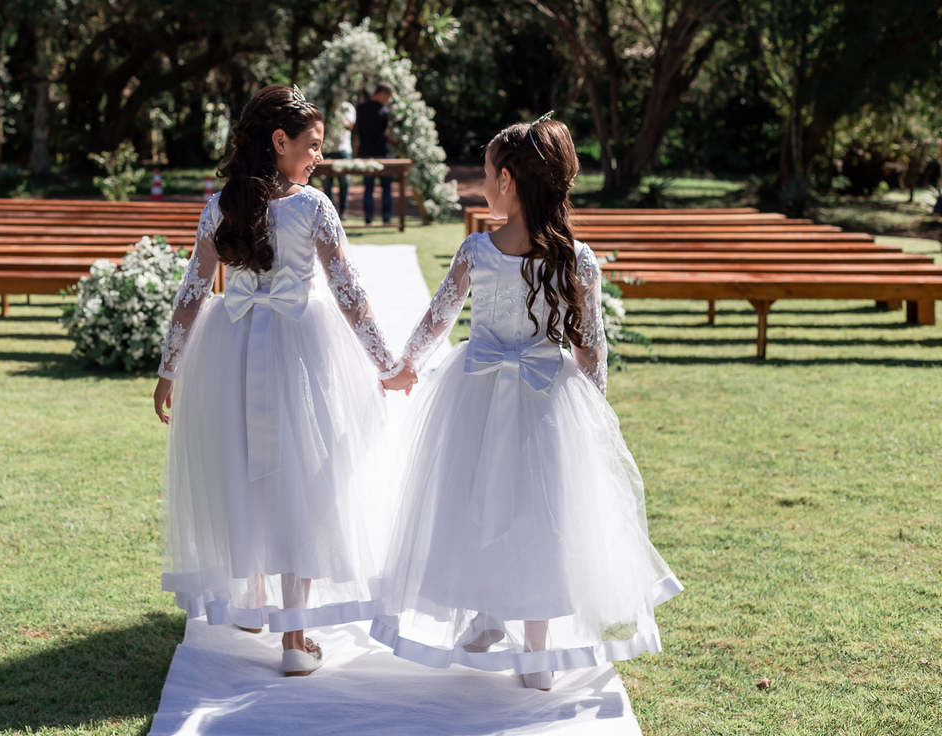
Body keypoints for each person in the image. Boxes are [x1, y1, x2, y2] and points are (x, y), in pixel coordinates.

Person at [371, 116, 682, 691]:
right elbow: (592, 347)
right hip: (547, 396)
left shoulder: (477, 250)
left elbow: (437, 319)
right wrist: (593, 408)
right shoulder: (575, 258)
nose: (481, 185)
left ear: (508, 181)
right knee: (539, 513)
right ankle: (526, 646)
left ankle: (491, 619)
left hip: (479, 391)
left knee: (478, 499)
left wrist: (404, 365)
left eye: (487, 174)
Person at [152, 85, 416, 678]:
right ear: (279, 142)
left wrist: (170, 367)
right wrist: (385, 363)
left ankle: (251, 599)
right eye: (312, 145)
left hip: (231, 345)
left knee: (245, 467)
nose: (319, 155)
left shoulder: (220, 205)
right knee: (302, 478)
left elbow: (193, 292)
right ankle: (293, 636)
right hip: (302, 347)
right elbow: (349, 293)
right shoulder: (312, 206)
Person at [354, 82, 396, 225]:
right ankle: (386, 218)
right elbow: (386, 132)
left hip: (365, 152)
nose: (388, 100)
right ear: (382, 94)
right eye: (388, 96)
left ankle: (368, 218)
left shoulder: (360, 108)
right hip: (382, 152)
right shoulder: (384, 111)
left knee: (369, 188)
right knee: (386, 188)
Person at [321, 100, 356, 216]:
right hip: (327, 149)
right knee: (326, 183)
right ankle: (330, 211)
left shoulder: (347, 107)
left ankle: (343, 211)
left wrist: (336, 111)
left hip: (343, 150)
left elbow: (349, 125)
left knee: (344, 181)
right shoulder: (323, 105)